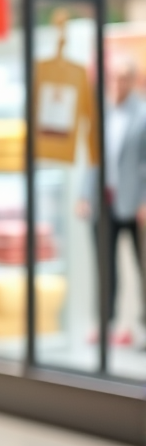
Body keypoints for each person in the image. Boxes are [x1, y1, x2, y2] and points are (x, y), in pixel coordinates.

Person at [77, 55, 146, 346]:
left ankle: (142, 327)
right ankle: (107, 323)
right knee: (105, 267)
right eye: (114, 78)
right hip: (104, 201)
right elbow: (94, 159)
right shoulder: (102, 114)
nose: (118, 84)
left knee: (142, 266)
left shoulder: (142, 114)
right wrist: (84, 194)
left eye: (123, 78)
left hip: (135, 203)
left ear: (133, 81)